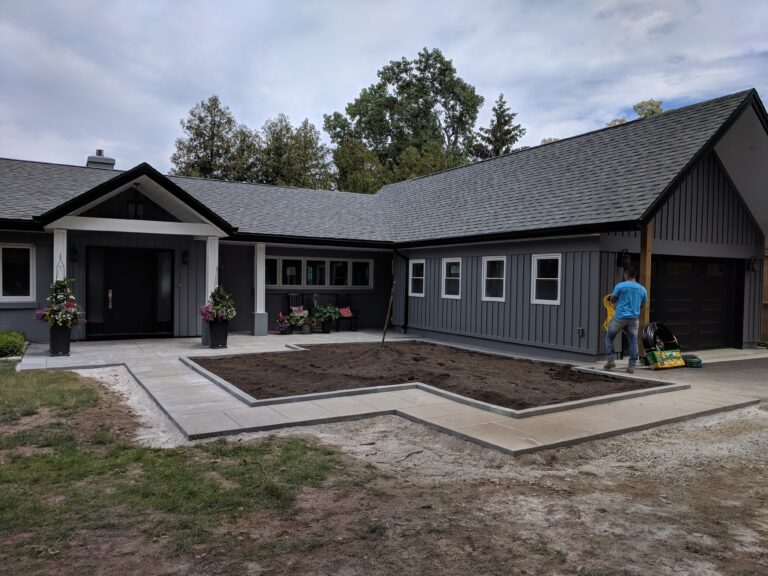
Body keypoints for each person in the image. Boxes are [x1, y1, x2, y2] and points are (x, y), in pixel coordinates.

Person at [604, 267, 647, 374]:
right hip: (633, 319)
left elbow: (613, 300)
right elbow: (642, 305)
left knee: (609, 336)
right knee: (633, 341)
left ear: (626, 275)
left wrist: (613, 298)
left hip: (620, 317)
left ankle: (610, 360)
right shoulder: (642, 289)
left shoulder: (620, 285)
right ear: (635, 276)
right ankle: (631, 367)